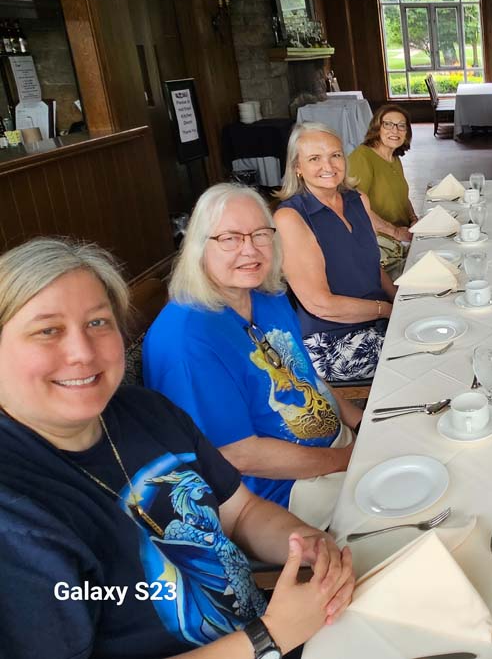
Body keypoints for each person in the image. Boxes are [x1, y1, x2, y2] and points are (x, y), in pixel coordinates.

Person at [0, 237, 354, 658]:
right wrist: (269, 637)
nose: (82, 352)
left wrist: (306, 543)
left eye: (98, 322)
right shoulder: (14, 516)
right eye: (47, 331)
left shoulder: (147, 411)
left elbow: (241, 512)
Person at [145, 182, 360, 510]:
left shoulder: (267, 295)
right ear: (199, 246)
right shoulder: (186, 339)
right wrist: (347, 459)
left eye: (260, 235)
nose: (250, 250)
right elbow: (240, 455)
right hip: (280, 494)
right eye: (230, 238)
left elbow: (307, 377)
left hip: (335, 451)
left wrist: (360, 422)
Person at [274, 123, 396, 383]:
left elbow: (371, 266)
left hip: (377, 320)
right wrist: (386, 310)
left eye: (335, 155)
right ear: (297, 167)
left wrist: (401, 301)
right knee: (428, 352)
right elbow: (321, 304)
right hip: (333, 340)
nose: (328, 166)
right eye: (314, 158)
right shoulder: (291, 217)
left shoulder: (357, 200)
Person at [349, 103, 417, 275]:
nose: (395, 130)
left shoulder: (394, 158)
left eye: (401, 126)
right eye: (388, 124)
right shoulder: (362, 157)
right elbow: (354, 206)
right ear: (377, 128)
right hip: (382, 246)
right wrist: (395, 232)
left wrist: (413, 219)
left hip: (402, 236)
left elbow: (402, 196)